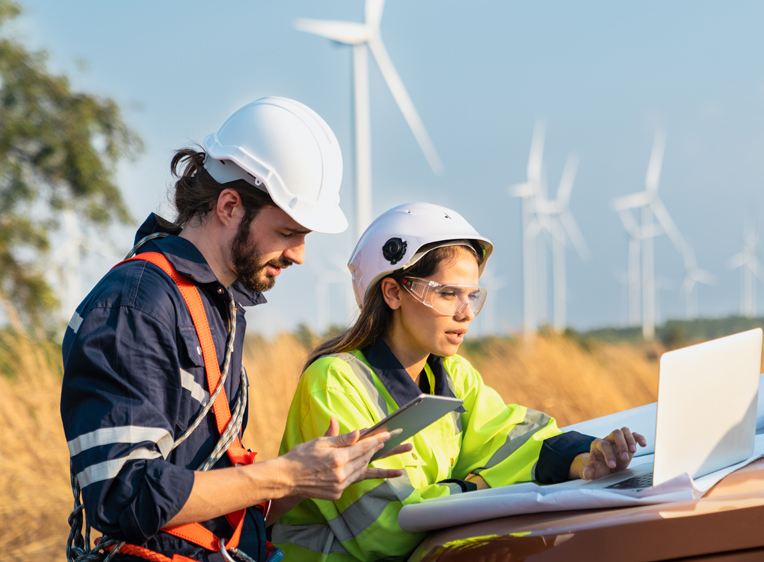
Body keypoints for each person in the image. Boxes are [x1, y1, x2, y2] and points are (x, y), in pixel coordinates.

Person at [61, 97, 411, 562]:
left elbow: (199, 488)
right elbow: (122, 495)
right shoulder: (138, 304)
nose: (300, 255)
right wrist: (283, 475)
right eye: (288, 233)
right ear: (229, 205)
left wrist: (312, 477)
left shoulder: (215, 306)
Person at [272, 202, 646, 561]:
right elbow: (385, 529)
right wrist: (477, 488)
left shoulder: (453, 376)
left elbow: (514, 441)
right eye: (448, 294)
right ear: (393, 292)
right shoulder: (334, 382)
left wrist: (585, 458)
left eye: (472, 296)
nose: (466, 313)